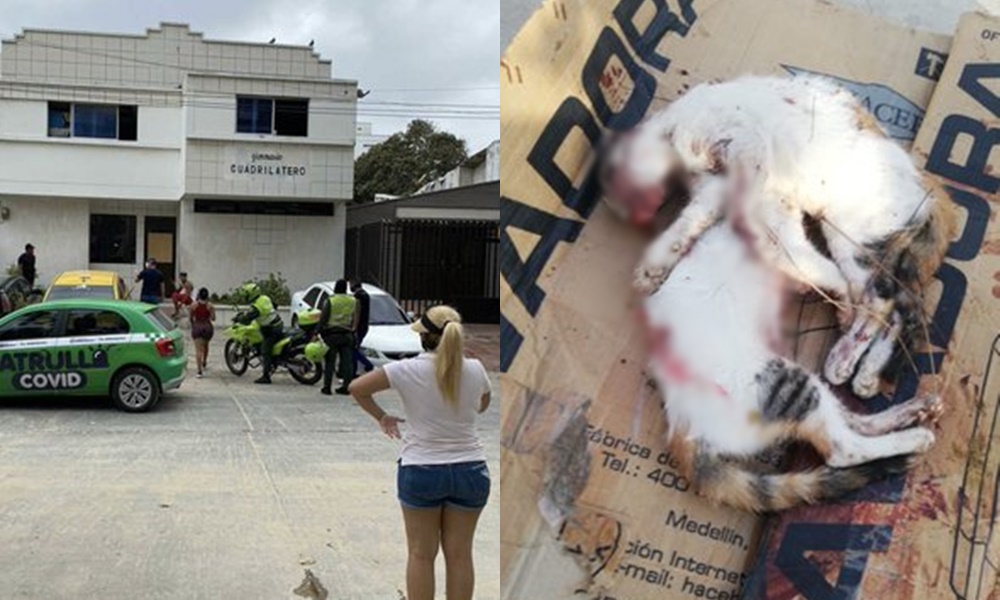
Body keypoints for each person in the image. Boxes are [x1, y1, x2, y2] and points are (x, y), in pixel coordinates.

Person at [348, 305, 492, 600]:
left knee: (421, 554)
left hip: (421, 469)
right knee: (461, 555)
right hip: (471, 471)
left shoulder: (404, 369)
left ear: (424, 338)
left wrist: (382, 417)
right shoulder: (476, 369)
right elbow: (483, 404)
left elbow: (357, 388)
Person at [233, 282, 284, 384]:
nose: (245, 297)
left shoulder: (256, 307)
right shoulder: (264, 298)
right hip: (278, 323)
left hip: (271, 329)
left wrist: (238, 318)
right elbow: (274, 306)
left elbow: (246, 319)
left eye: (246, 295)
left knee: (265, 350)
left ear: (251, 294)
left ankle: (266, 376)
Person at [317, 279, 357, 395]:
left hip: (332, 335)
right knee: (347, 363)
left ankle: (327, 387)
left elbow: (324, 318)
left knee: (330, 362)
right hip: (347, 334)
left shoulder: (331, 301)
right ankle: (346, 387)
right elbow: (355, 317)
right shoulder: (352, 301)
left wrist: (317, 332)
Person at [349, 278, 375, 374]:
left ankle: (368, 365)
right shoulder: (366, 295)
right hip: (364, 325)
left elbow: (357, 312)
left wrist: (354, 327)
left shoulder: (358, 296)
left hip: (359, 326)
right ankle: (354, 371)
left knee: (353, 350)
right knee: (355, 348)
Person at [189, 287, 215, 378]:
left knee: (198, 350)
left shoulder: (193, 305)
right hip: (207, 327)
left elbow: (191, 318)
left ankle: (199, 371)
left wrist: (193, 325)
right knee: (206, 346)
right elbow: (213, 318)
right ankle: (204, 361)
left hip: (198, 326)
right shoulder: (210, 306)